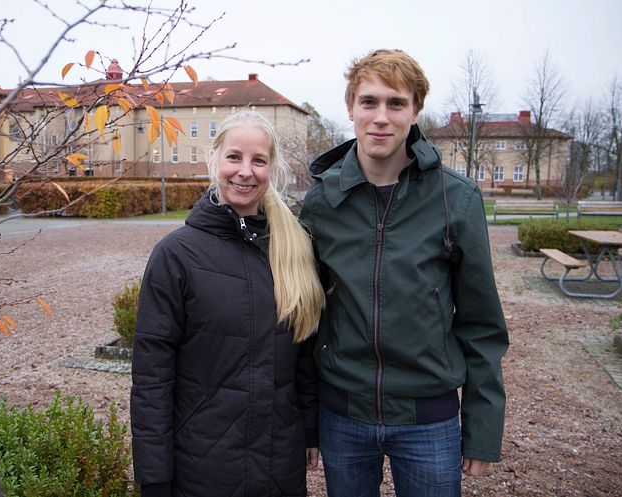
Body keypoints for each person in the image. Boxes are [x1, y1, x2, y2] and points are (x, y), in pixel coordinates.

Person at [299, 49, 509, 497]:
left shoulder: (458, 199)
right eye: (369, 102)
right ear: (351, 107)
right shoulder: (321, 203)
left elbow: (482, 324)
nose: (381, 117)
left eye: (396, 103)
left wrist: (483, 430)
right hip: (342, 415)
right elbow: (305, 320)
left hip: (427, 419)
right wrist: (306, 420)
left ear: (415, 112)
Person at [130, 110, 325, 497]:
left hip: (279, 466)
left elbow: (303, 356)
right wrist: (153, 476)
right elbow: (152, 376)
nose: (245, 171)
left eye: (258, 160)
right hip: (201, 467)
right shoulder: (176, 255)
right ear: (214, 160)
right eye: (234, 157)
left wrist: (309, 430)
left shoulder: (295, 248)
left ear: (272, 168)